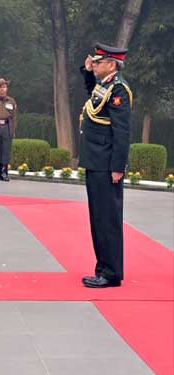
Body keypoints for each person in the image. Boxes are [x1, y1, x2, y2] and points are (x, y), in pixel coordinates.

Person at [78, 43, 132, 288]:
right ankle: (102, 268)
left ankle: (110, 273)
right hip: (96, 160)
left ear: (112, 64)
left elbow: (122, 132)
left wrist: (118, 167)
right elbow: (93, 98)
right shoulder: (104, 86)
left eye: (98, 62)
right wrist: (88, 72)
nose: (95, 64)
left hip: (106, 163)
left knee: (107, 220)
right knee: (98, 219)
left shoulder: (119, 89)